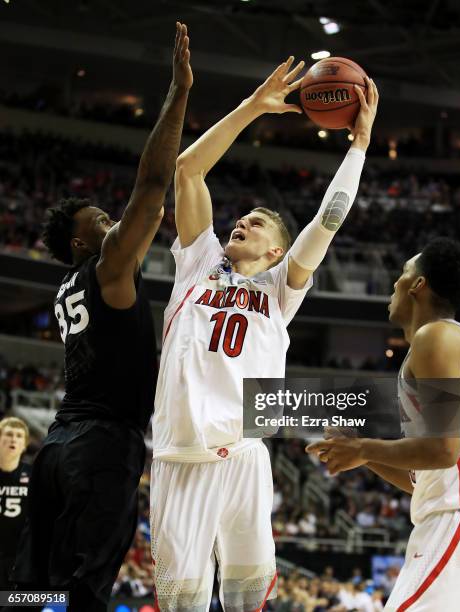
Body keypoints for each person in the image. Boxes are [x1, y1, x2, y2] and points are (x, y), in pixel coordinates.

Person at [151, 56, 379, 611]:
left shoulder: (281, 289)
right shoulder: (198, 262)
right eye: (242, 217)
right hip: (181, 458)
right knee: (181, 603)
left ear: (276, 250)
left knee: (247, 600)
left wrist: (359, 148)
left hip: (248, 456)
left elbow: (328, 221)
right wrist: (253, 108)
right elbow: (186, 170)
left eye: (257, 222)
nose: (242, 222)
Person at [7, 23, 192, 612]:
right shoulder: (107, 270)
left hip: (58, 446)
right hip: (100, 445)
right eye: (100, 220)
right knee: (85, 588)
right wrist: (178, 94)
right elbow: (155, 184)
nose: (114, 220)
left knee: (29, 586)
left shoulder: (73, 284)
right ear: (82, 244)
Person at [307, 238, 460, 611]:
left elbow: (442, 451)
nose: (395, 283)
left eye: (403, 273)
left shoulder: (437, 335)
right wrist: (364, 455)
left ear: (418, 284)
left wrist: (362, 448)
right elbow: (425, 475)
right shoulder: (445, 341)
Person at [0, 418, 30, 589]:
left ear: (24, 444)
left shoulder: (33, 476)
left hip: (18, 559)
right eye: (9, 434)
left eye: (19, 436)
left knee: (13, 603)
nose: (13, 439)